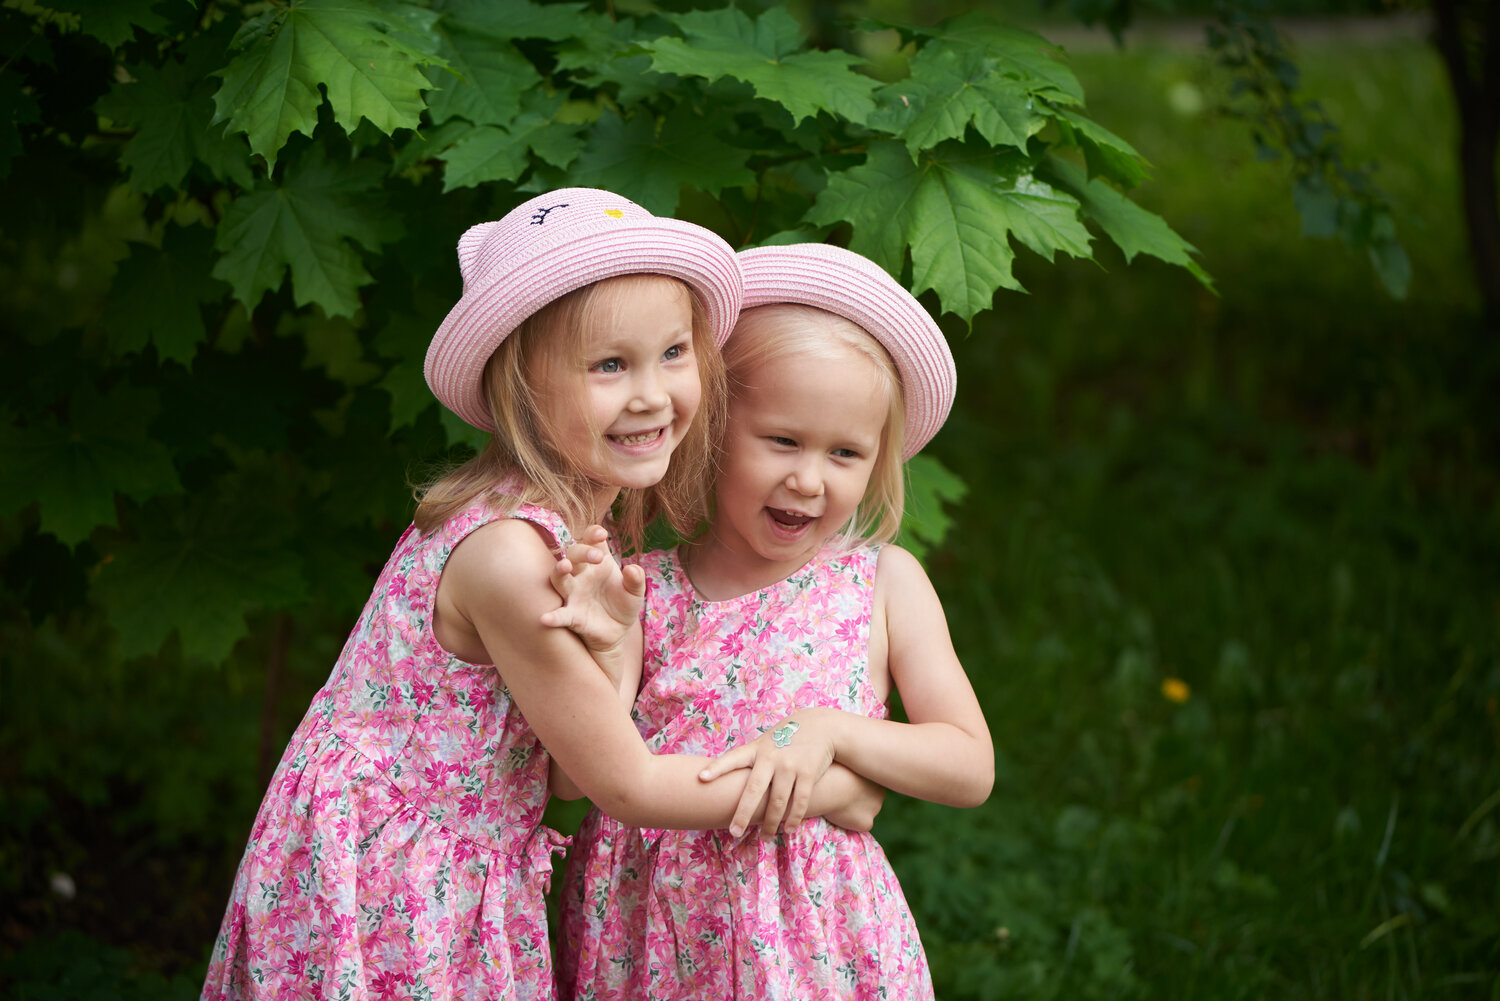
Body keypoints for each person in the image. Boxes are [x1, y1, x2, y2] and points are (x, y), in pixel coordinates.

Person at [200, 192, 882, 1001]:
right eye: (609, 365)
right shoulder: (510, 557)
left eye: (673, 352)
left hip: (462, 865)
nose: (651, 394)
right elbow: (624, 785)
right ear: (522, 388)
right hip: (394, 879)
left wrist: (613, 643)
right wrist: (838, 788)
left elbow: (563, 777)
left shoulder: (576, 532)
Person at [551, 243, 995, 1001]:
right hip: (650, 932)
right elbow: (571, 779)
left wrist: (831, 731)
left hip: (813, 940)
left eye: (845, 453)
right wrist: (603, 645)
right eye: (782, 440)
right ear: (713, 432)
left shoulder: (882, 583)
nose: (808, 478)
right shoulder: (640, 588)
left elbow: (968, 765)